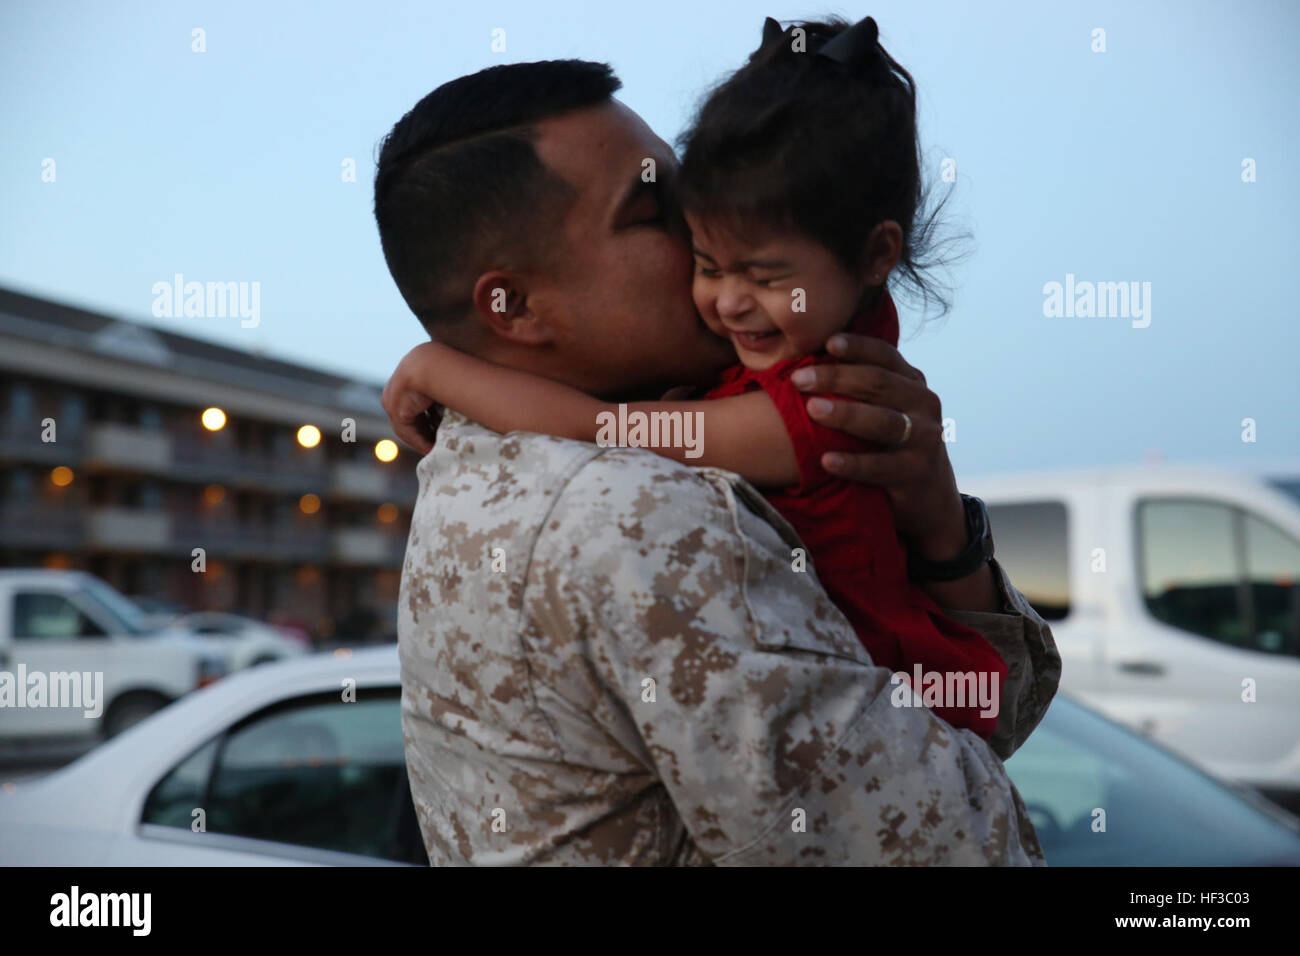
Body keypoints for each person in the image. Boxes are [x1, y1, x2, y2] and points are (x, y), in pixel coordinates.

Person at [373, 33, 1060, 865]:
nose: (711, 229)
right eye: (657, 211)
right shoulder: (634, 513)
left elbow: (982, 715)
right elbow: (955, 844)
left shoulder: (486, 473)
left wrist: (943, 532)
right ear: (513, 308)